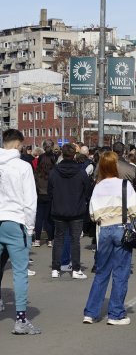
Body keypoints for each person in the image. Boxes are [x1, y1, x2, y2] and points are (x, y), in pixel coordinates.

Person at [83, 151, 136, 325]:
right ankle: (116, 313)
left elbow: (92, 213)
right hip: (122, 227)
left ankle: (91, 313)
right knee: (121, 272)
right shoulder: (124, 184)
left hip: (104, 229)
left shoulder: (98, 186)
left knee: (102, 272)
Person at [0, 129, 40, 335]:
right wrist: (30, 229)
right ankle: (21, 320)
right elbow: (30, 201)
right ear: (18, 144)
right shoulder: (23, 167)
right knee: (19, 272)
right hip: (15, 221)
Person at [48, 143, 92, 279]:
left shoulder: (54, 171)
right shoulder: (80, 171)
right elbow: (88, 190)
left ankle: (55, 268)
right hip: (76, 209)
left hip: (59, 209)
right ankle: (76, 269)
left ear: (62, 154)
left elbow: (50, 190)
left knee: (59, 239)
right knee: (75, 240)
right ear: (74, 155)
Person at [33, 149, 56, 247]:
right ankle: (50, 240)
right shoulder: (54, 173)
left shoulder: (37, 172)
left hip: (39, 196)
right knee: (49, 219)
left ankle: (37, 240)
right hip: (50, 196)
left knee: (39, 218)